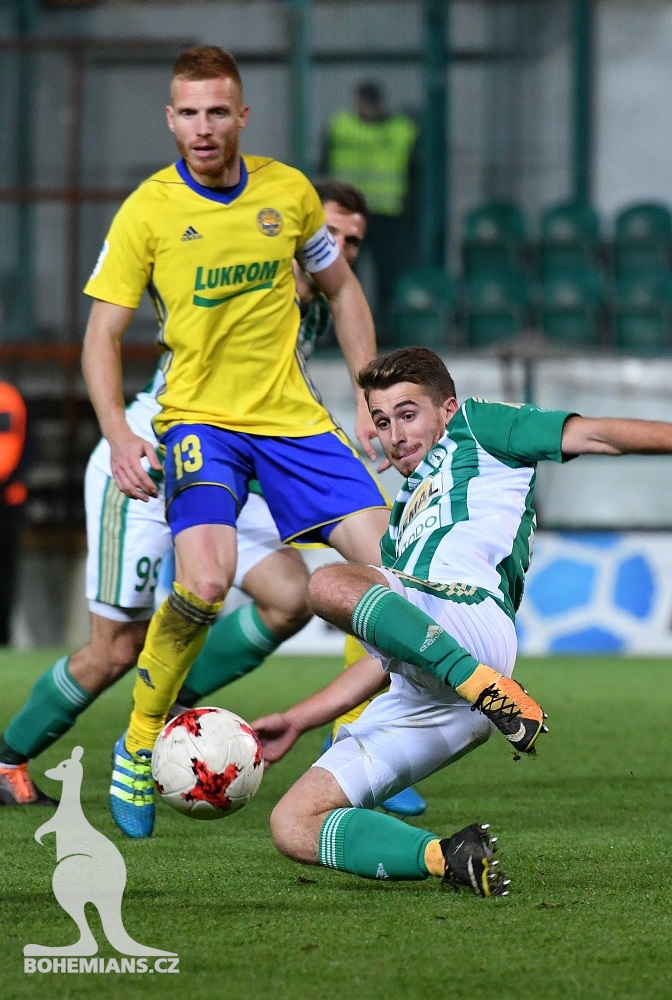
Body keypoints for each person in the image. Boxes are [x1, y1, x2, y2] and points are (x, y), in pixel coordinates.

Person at [81, 44, 403, 840]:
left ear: (242, 116)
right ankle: (139, 739)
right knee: (205, 583)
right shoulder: (148, 211)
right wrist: (119, 432)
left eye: (217, 111)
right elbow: (100, 336)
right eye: (187, 112)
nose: (202, 127)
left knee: (400, 574)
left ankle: (376, 740)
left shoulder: (288, 193)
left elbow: (342, 287)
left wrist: (371, 398)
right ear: (170, 118)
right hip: (199, 422)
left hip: (294, 422)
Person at [0, 180, 395, 812]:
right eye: (329, 235)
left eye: (352, 242)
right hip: (151, 465)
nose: (339, 250)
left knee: (291, 597)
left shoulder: (316, 303)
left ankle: (168, 713)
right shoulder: (244, 271)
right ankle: (8, 757)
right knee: (116, 650)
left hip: (229, 466)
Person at [253, 346, 672, 895]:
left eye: (408, 413)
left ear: (446, 408)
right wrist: (298, 719)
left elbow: (601, 434)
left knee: (326, 581)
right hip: (438, 686)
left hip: (469, 616)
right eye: (381, 421)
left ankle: (486, 687)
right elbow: (390, 654)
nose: (395, 434)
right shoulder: (399, 529)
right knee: (292, 824)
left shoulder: (479, 427)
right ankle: (450, 857)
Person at [321, 81, 419, 343]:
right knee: (341, 273)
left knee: (384, 276)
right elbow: (324, 165)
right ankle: (336, 330)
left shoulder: (401, 131)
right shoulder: (341, 127)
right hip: (348, 215)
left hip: (386, 215)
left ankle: (382, 329)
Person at [0, 380, 29, 647]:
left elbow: (12, 450)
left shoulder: (7, 397)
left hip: (6, 501)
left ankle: (3, 634)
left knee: (5, 571)